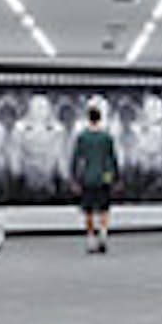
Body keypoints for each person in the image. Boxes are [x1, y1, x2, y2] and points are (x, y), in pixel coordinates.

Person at [71, 103, 119, 253]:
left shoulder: (82, 137)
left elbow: (76, 159)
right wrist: (115, 177)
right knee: (104, 209)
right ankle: (103, 235)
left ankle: (91, 239)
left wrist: (74, 179)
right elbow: (112, 159)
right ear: (100, 118)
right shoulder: (106, 137)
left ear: (88, 118)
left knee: (89, 210)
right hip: (104, 177)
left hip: (87, 177)